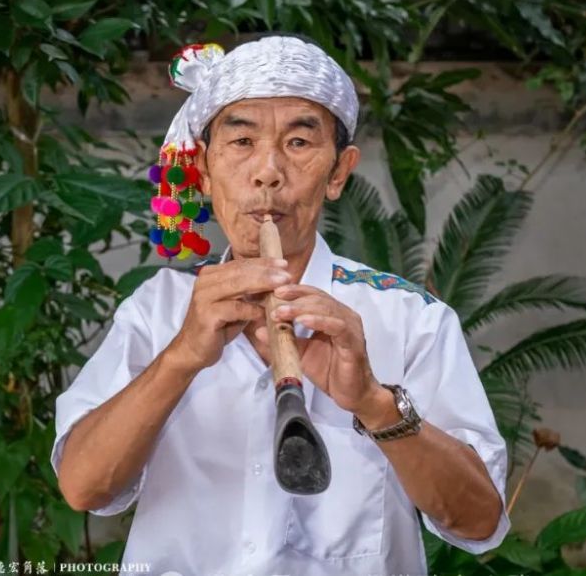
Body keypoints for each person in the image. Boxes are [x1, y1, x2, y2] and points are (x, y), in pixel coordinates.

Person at [50, 33, 510, 576]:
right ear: (204, 170)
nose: (267, 171)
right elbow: (83, 487)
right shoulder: (156, 309)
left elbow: (478, 521)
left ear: (338, 173)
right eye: (242, 141)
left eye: (298, 142)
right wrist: (181, 357)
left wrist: (374, 403)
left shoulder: (411, 319)